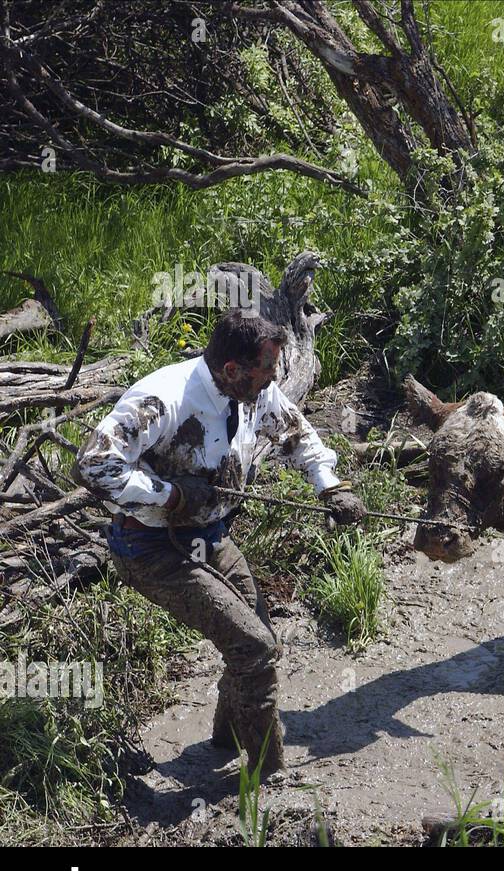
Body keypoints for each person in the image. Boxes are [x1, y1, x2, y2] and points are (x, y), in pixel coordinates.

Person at [74, 310, 368, 776]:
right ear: (231, 370)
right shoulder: (161, 399)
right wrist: (168, 494)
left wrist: (331, 487)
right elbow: (93, 466)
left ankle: (226, 739)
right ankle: (268, 773)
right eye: (266, 369)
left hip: (210, 536)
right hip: (150, 546)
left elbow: (296, 435)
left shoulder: (255, 391)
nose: (274, 379)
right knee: (254, 647)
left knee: (257, 639)